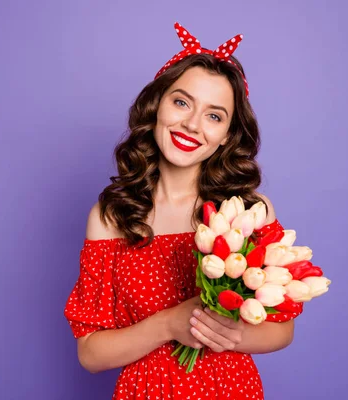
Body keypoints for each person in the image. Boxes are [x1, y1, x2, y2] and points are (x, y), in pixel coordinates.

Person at [64, 22, 303, 399]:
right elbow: (91, 354)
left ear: (227, 134)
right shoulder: (111, 217)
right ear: (157, 104)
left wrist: (226, 332)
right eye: (181, 102)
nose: (192, 124)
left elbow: (283, 329)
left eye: (214, 115)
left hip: (232, 390)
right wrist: (170, 324)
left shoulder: (248, 211)